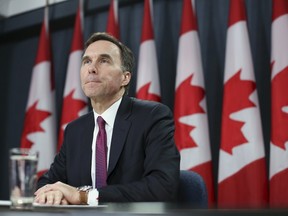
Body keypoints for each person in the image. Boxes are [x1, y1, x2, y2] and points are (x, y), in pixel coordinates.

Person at [34, 32, 180, 205]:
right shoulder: (75, 130)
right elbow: (47, 183)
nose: (92, 68)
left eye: (104, 61)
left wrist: (85, 197)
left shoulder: (152, 117)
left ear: (125, 78)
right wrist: (54, 194)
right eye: (87, 61)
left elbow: (163, 186)